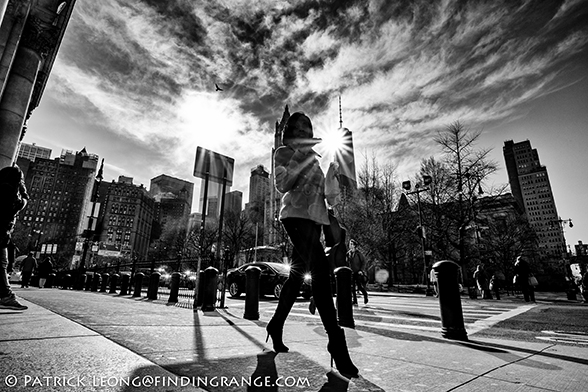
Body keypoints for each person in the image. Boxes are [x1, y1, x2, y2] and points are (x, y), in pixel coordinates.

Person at [266, 112, 358, 378]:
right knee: (319, 273)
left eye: (309, 131)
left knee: (295, 278)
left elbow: (329, 200)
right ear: (292, 133)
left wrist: (331, 177)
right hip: (295, 218)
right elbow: (283, 184)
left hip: (314, 221)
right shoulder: (283, 153)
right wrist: (301, 157)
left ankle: (275, 325)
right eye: (301, 131)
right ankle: (336, 342)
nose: (306, 135)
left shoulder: (315, 160)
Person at [0, 165, 29, 310]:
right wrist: (22, 188)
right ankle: (6, 296)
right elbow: (24, 201)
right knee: (2, 264)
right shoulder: (10, 193)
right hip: (0, 233)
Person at [347, 239, 368, 305]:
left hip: (358, 272)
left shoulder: (359, 254)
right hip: (351, 272)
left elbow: (363, 262)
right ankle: (355, 300)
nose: (350, 245)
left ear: (354, 245)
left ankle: (365, 295)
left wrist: (361, 270)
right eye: (349, 244)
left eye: (351, 244)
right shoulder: (348, 253)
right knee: (352, 287)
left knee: (359, 286)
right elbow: (347, 262)